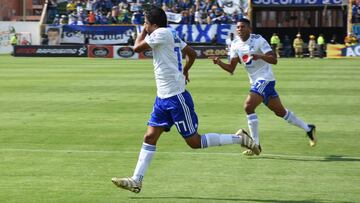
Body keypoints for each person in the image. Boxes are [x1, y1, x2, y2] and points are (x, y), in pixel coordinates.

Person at [111, 7, 259, 193]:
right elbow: (192, 53)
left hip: (176, 98)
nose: (145, 26)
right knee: (150, 136)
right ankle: (136, 180)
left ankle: (239, 139)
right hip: (163, 98)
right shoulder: (170, 33)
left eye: (147, 23)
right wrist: (185, 69)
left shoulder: (161, 33)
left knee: (194, 142)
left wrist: (142, 30)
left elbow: (136, 48)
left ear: (154, 25)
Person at [209, 18, 316, 156]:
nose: (239, 30)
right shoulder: (235, 44)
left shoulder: (259, 40)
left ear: (249, 29)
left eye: (242, 27)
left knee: (248, 106)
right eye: (237, 27)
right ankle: (308, 128)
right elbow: (231, 68)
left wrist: (259, 56)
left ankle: (255, 144)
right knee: (281, 112)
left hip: (265, 79)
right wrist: (218, 62)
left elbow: (274, 60)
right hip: (256, 82)